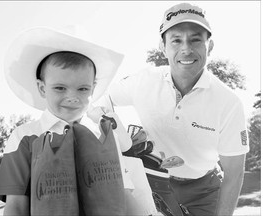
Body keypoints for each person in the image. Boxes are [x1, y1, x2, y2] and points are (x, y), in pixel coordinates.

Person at [106, 3, 249, 216]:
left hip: (204, 189)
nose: (186, 49)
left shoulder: (229, 102)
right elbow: (102, 96)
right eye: (176, 40)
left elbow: (234, 173)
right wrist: (116, 138)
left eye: (195, 39)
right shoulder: (143, 81)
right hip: (152, 182)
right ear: (163, 47)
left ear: (209, 46)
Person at [0, 27, 127, 215]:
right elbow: (16, 207)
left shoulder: (103, 136)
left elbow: (123, 192)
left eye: (83, 89)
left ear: (93, 88)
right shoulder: (24, 137)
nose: (72, 97)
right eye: (60, 88)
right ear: (42, 88)